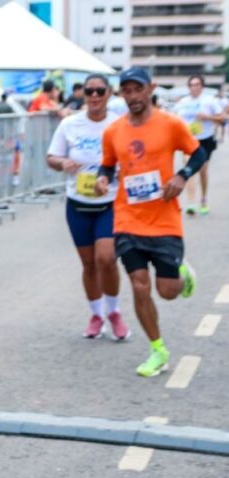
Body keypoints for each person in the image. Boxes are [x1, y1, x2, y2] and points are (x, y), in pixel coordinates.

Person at [95, 67, 205, 378]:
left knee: (168, 290)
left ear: (150, 88)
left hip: (165, 221)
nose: (133, 96)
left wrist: (182, 176)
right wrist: (103, 180)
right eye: (127, 91)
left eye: (137, 89)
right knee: (139, 286)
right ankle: (158, 349)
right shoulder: (113, 131)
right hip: (127, 220)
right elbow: (107, 165)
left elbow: (198, 154)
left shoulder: (170, 124)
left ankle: (181, 272)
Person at [46, 74, 130, 340]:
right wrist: (63, 163)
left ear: (109, 94)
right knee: (89, 264)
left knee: (106, 258)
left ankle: (114, 312)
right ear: (83, 94)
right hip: (78, 203)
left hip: (110, 202)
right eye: (89, 91)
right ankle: (96, 315)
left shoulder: (119, 125)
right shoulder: (70, 124)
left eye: (100, 91)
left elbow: (131, 160)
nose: (94, 96)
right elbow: (52, 157)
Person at [172, 74, 223, 216]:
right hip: (189, 141)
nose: (194, 88)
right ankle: (191, 203)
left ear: (202, 86)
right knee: (190, 170)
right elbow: (174, 119)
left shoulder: (209, 101)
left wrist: (208, 118)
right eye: (191, 85)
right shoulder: (183, 102)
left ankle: (204, 199)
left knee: (202, 171)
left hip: (206, 140)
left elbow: (223, 118)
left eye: (197, 85)